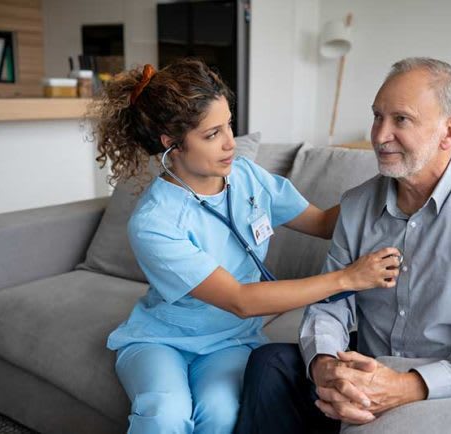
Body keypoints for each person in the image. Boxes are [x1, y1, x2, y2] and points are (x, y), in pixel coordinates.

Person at [92, 59, 399, 434]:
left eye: (229, 126)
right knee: (165, 413)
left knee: (221, 415)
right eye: (211, 134)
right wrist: (347, 279)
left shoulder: (247, 177)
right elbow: (241, 300)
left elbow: (322, 223)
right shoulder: (154, 222)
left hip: (230, 340)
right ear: (171, 143)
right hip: (162, 340)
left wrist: (387, 182)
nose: (229, 144)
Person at [235, 57, 451, 433]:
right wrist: (325, 366)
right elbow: (331, 308)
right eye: (377, 116)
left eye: (401, 119)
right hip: (365, 366)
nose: (379, 136)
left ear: (449, 131)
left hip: (439, 380)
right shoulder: (358, 204)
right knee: (269, 364)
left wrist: (405, 385)